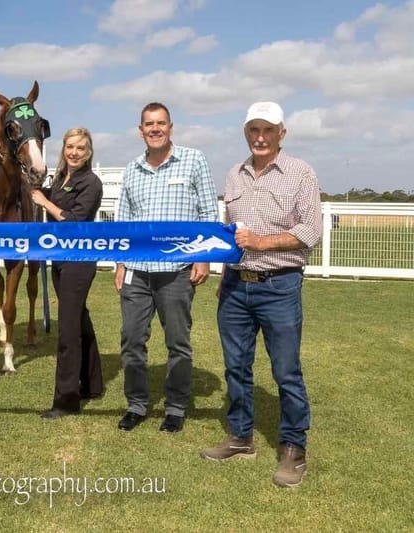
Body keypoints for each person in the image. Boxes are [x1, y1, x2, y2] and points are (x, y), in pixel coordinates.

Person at [200, 102, 322, 488]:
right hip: (236, 285)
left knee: (286, 371)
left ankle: (293, 449)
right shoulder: (234, 174)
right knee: (236, 367)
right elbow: (228, 234)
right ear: (245, 132)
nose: (260, 137)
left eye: (268, 130)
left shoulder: (301, 173)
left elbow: (311, 232)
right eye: (254, 129)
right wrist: (224, 273)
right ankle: (240, 437)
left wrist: (262, 242)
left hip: (280, 285)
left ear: (281, 133)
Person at [115, 102, 218, 433]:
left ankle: (175, 407)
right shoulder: (132, 169)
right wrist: (120, 263)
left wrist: (203, 256)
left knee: (177, 341)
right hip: (137, 271)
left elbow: (207, 214)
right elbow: (124, 221)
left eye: (160, 123)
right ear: (140, 130)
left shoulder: (194, 160)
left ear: (170, 127)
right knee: (131, 339)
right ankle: (137, 404)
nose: (155, 128)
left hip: (176, 270)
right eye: (149, 124)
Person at [31, 127, 104, 420]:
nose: (74, 152)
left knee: (68, 330)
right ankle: (93, 383)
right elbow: (45, 194)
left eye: (81, 148)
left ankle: (66, 400)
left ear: (89, 152)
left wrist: (45, 203)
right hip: (59, 260)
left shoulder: (91, 183)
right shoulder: (62, 178)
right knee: (80, 320)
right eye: (70, 147)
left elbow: (74, 220)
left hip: (79, 262)